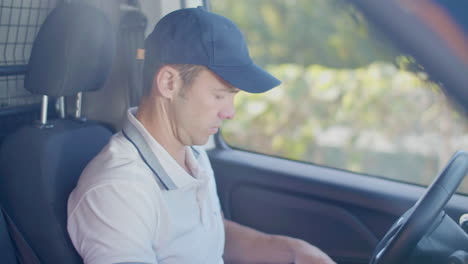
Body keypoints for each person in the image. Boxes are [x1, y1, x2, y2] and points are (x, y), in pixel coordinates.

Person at [67, 7, 335, 264]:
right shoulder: (118, 190)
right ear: (169, 83)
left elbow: (210, 237)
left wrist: (295, 251)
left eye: (232, 97)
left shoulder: (191, 152)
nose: (229, 112)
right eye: (219, 95)